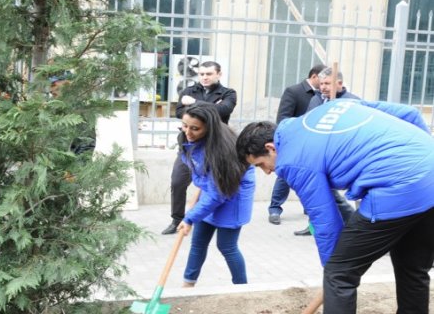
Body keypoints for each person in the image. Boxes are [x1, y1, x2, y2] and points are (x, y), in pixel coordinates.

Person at [236, 99, 434, 314]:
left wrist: (333, 270)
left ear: (271, 148)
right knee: (412, 268)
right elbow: (409, 113)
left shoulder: (292, 160)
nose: (267, 172)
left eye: (261, 165)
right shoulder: (333, 106)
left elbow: (325, 221)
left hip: (397, 188)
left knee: (340, 275)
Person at [175, 102, 255, 287]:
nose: (188, 132)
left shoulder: (223, 151)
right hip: (212, 191)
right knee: (198, 242)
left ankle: (242, 287)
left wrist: (189, 219)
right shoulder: (189, 139)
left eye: (195, 128)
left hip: (233, 196)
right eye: (185, 125)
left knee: (227, 246)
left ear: (209, 128)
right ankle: (188, 283)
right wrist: (198, 193)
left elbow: (218, 194)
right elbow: (202, 174)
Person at [162, 61, 237, 234]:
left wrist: (194, 103)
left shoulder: (228, 93)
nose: (204, 77)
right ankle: (177, 219)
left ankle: (205, 219)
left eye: (209, 74)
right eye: (202, 74)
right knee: (178, 181)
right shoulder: (188, 90)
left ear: (219, 74)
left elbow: (223, 110)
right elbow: (180, 113)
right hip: (189, 146)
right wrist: (211, 107)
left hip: (215, 148)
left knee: (212, 187)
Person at [291, 67, 359, 235]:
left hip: (344, 155)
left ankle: (356, 227)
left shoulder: (353, 102)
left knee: (354, 194)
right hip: (319, 154)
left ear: (339, 83)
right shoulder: (317, 100)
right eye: (321, 84)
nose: (323, 87)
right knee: (319, 192)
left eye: (327, 83)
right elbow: (308, 121)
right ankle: (316, 226)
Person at [267, 64, 326, 226]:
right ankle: (275, 209)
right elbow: (283, 118)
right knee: (285, 176)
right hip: (294, 141)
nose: (325, 84)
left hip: (315, 144)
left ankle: (309, 209)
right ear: (314, 76)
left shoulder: (324, 95)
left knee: (312, 177)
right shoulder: (294, 91)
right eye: (322, 80)